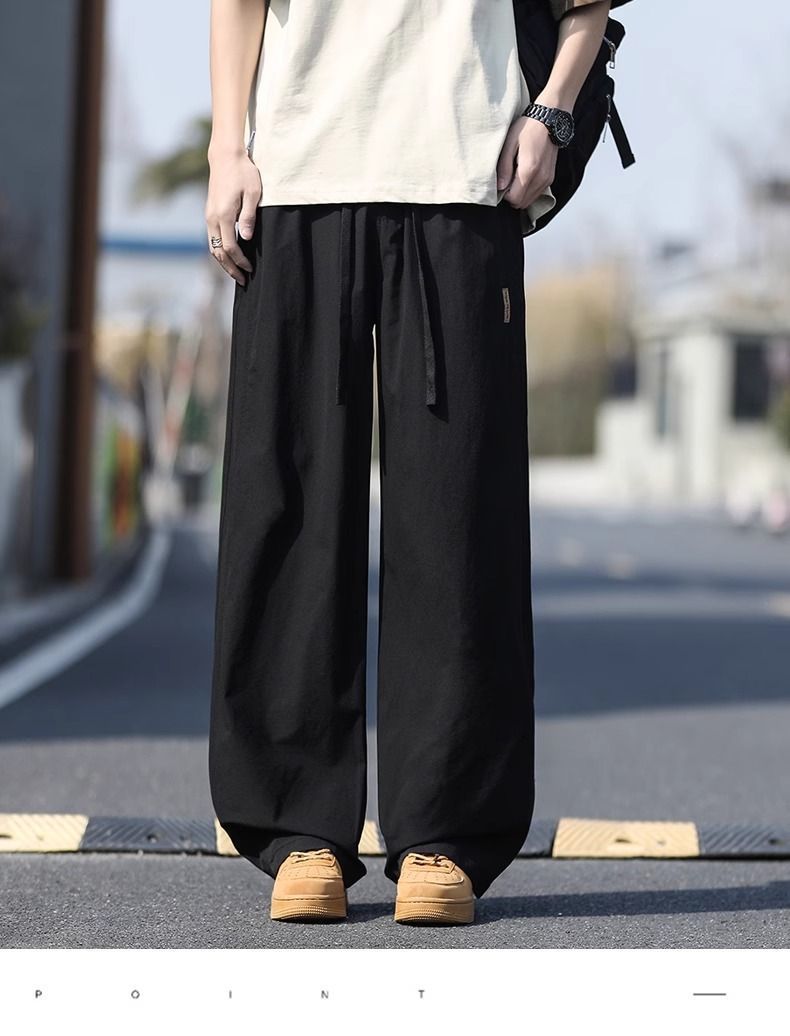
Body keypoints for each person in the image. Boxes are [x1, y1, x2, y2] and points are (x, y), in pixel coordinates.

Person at [207, 0, 617, 925]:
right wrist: (227, 148)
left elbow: (586, 3)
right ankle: (298, 830)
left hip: (464, 172)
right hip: (298, 170)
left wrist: (551, 112)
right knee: (287, 507)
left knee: (457, 514)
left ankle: (446, 832)